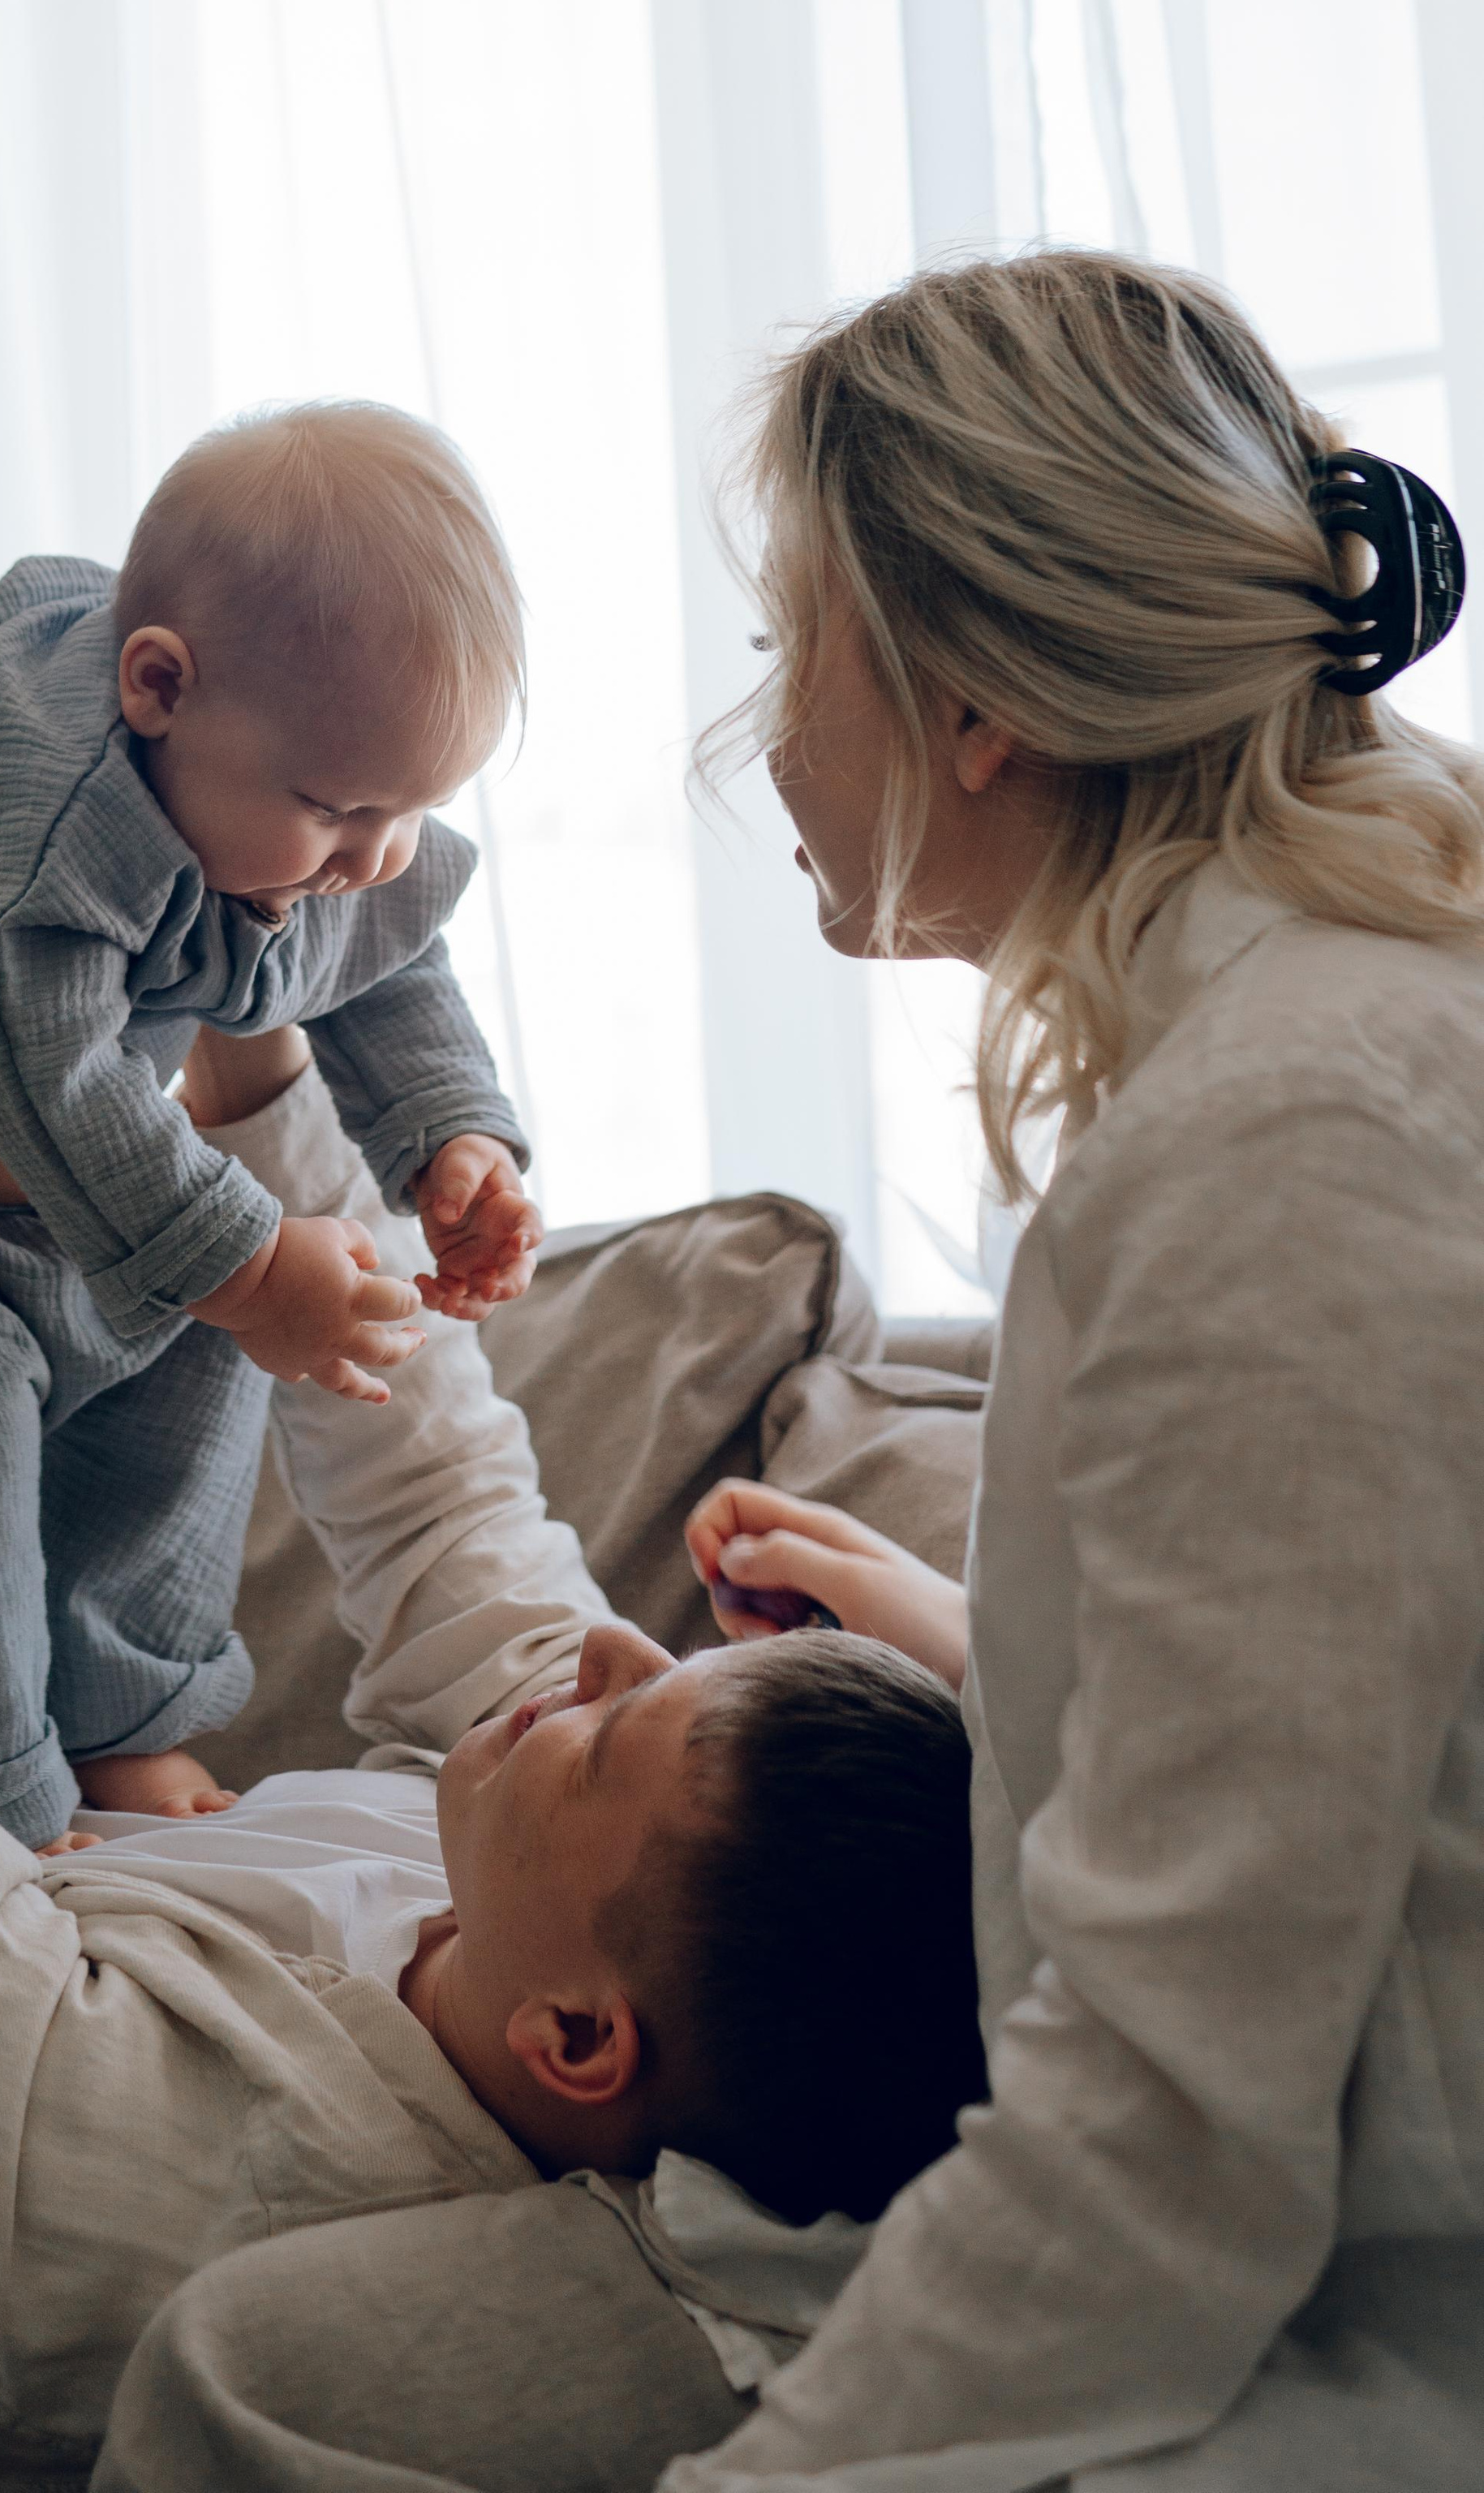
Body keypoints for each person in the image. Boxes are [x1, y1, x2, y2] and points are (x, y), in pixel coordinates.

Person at [104, 248, 1484, 2493]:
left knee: (231, 2388)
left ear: (970, 708)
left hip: (1330, 2372)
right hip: (1173, 2248)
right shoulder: (1307, 1070)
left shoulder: (1290, 1146)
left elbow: (1169, 2153)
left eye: (788, 644)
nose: (754, 738)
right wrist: (980, 1648)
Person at [0, 777, 983, 2491]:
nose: (609, 1658)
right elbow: (451, 1515)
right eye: (675, 1664)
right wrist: (260, 1034)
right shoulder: (527, 1918)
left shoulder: (150, 2165)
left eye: (622, 1728)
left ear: (583, 2043)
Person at [0, 401, 544, 1843]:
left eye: (414, 808)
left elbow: (386, 945)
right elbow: (48, 1068)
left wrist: (453, 1137)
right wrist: (259, 1271)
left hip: (93, 1191)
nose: (375, 853)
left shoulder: (283, 788)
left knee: (191, 1412)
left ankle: (121, 1723)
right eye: (345, 809)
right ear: (157, 687)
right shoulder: (29, 803)